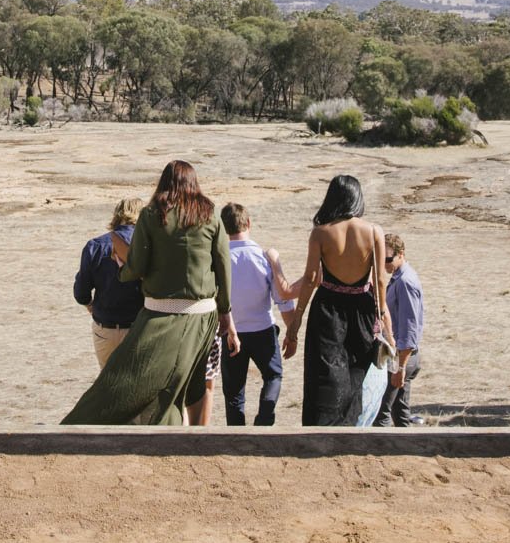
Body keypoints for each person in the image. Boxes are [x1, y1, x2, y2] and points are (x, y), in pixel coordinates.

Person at [63, 161, 239, 425]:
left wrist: (122, 268)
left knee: (136, 382)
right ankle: (199, 438)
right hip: (203, 314)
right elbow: (223, 264)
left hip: (160, 313)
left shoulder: (152, 214)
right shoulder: (210, 214)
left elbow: (137, 267)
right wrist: (225, 312)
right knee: (196, 383)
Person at [283, 175, 390, 427]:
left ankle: (322, 427)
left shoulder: (320, 233)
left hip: (328, 308)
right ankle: (351, 424)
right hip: (362, 308)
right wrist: (381, 314)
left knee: (325, 374)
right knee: (357, 371)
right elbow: (381, 280)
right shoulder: (374, 231)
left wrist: (296, 322)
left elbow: (310, 278)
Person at [219, 203, 298, 426]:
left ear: (225, 227)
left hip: (232, 331)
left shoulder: (221, 259)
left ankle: (236, 434)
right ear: (249, 223)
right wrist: (292, 334)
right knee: (273, 376)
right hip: (262, 329)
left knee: (234, 391)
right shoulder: (262, 256)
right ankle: (264, 419)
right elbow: (282, 301)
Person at [72, 197, 145, 368]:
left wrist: (89, 304)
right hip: (139, 328)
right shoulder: (146, 247)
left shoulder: (95, 246)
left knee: (108, 386)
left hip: (106, 328)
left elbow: (81, 291)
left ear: (117, 216)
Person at [373, 232, 424, 427]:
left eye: (388, 258)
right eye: (380, 258)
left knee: (381, 414)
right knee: (400, 413)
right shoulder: (399, 276)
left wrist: (400, 367)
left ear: (401, 254)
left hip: (402, 357)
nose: (384, 263)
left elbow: (409, 327)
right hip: (404, 356)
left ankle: (380, 454)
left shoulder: (405, 282)